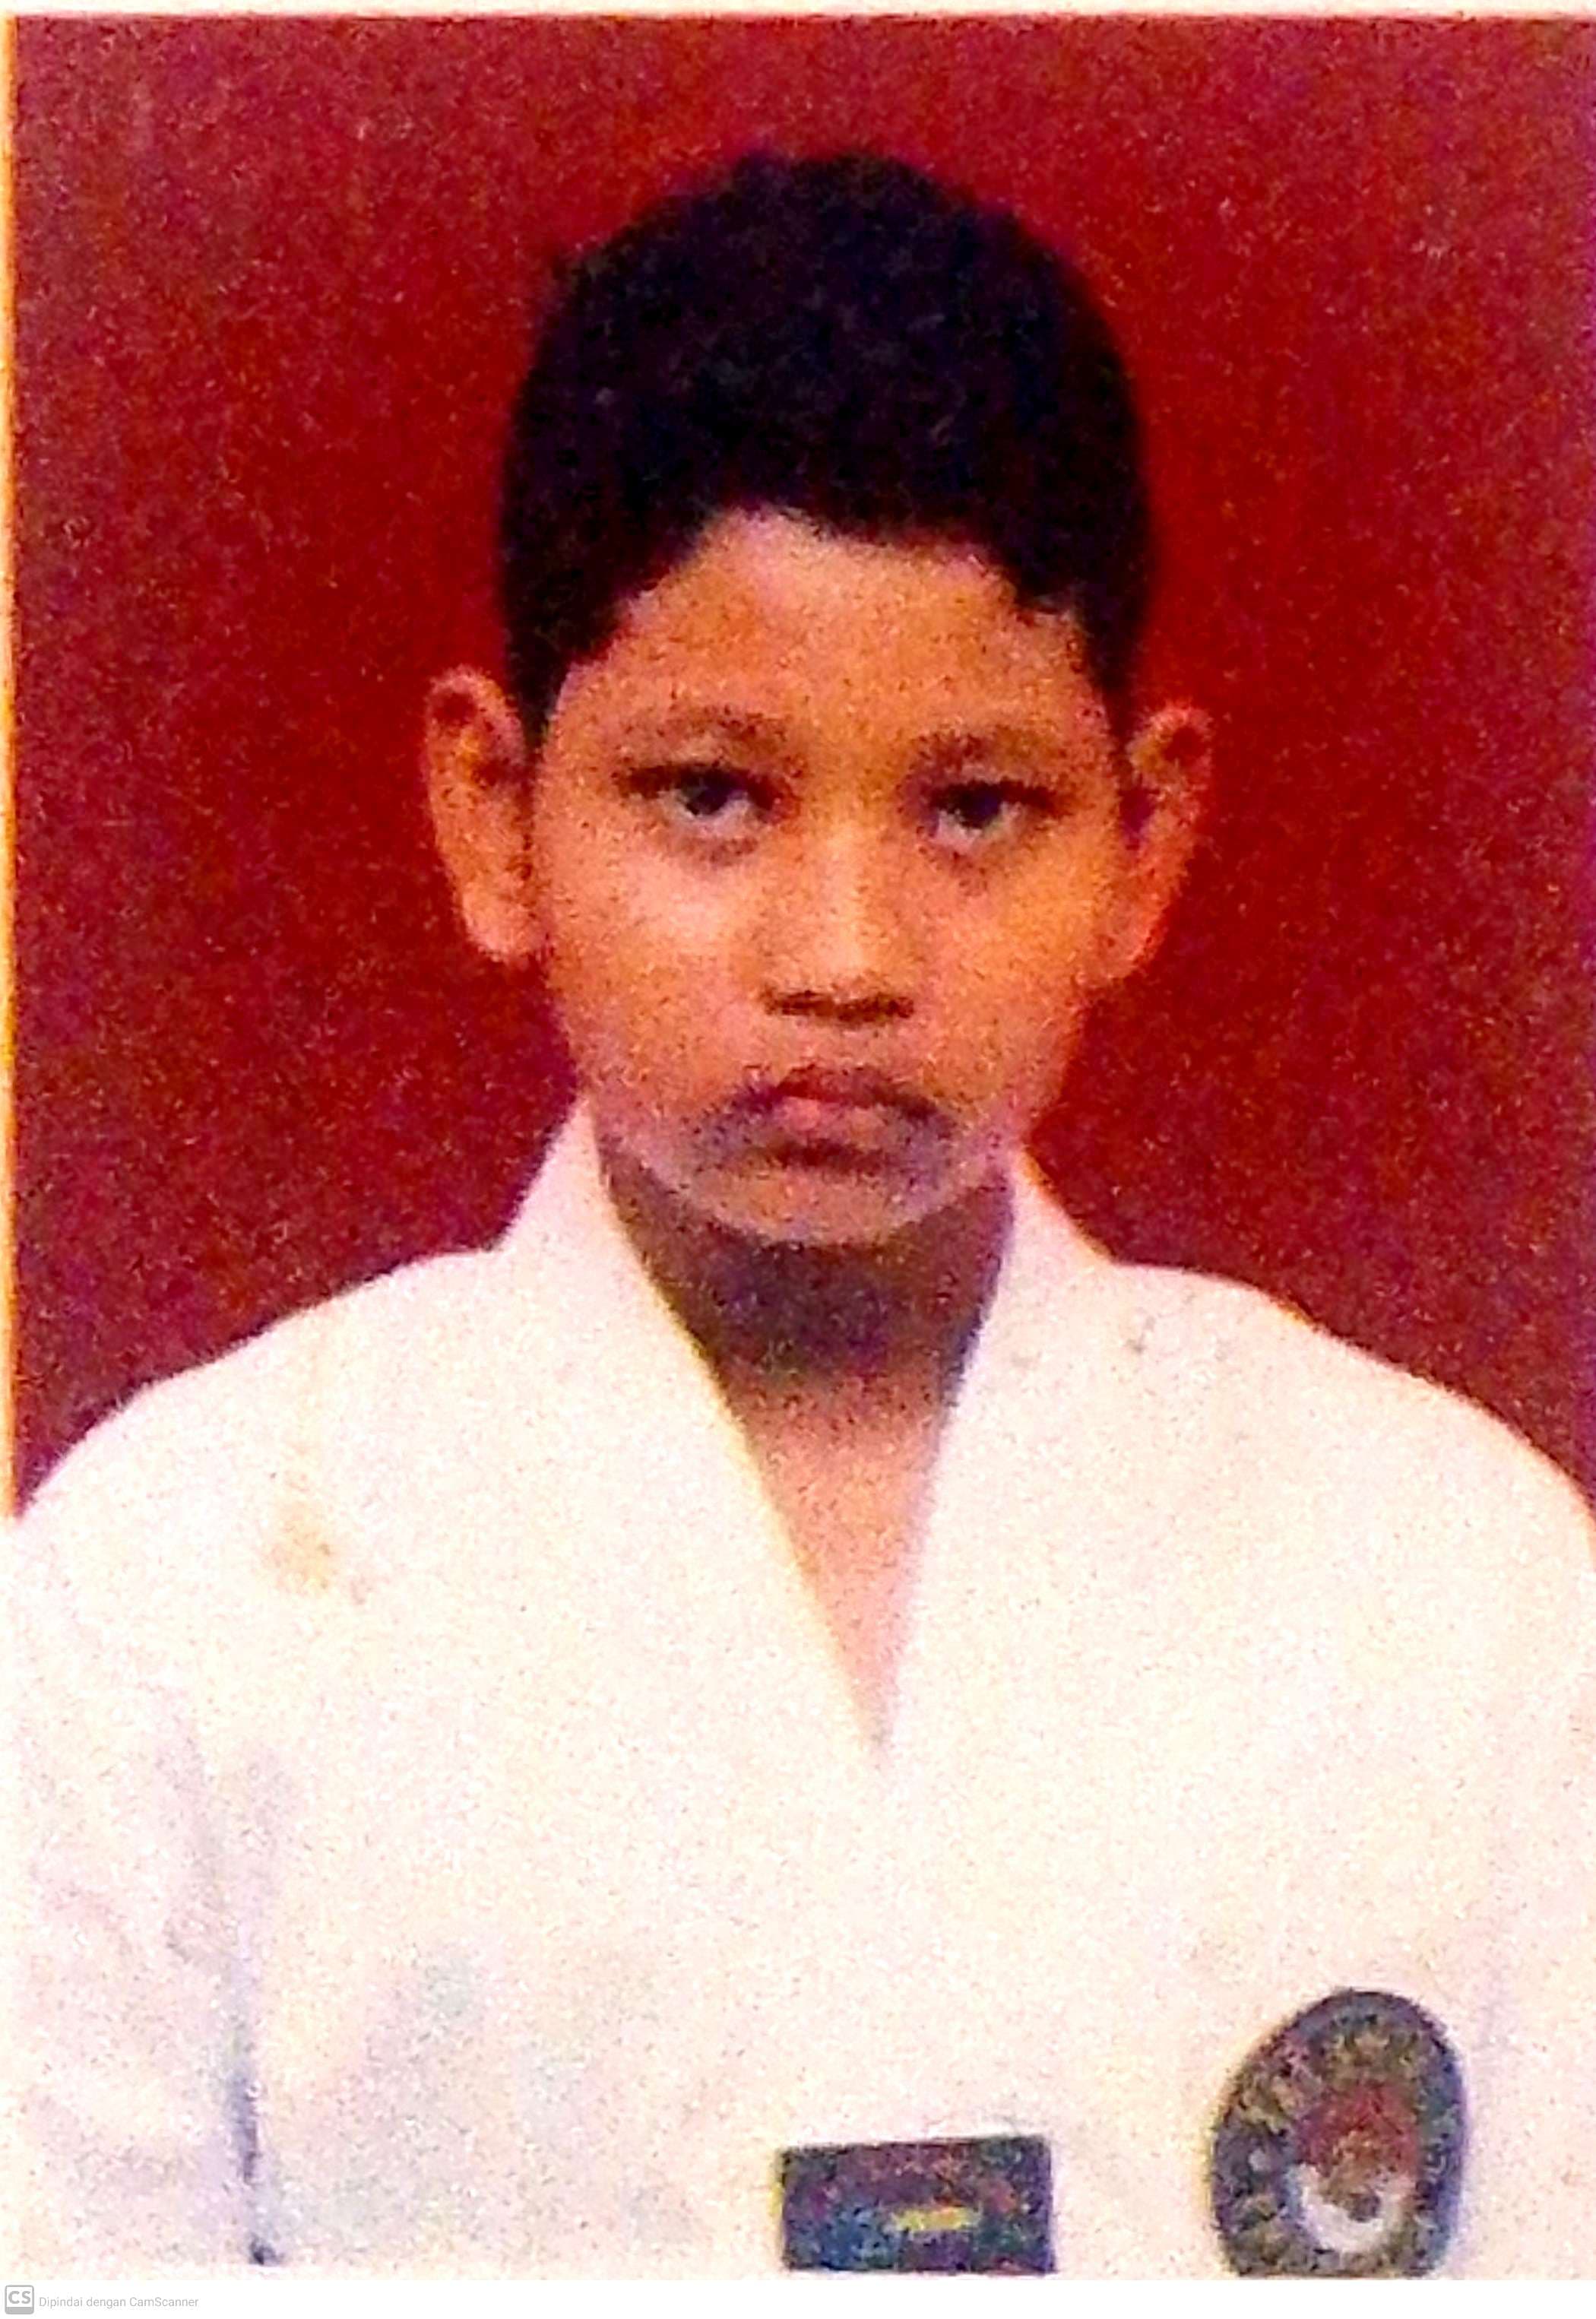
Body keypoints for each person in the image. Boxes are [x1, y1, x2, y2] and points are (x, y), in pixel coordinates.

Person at [12, 150, 1596, 2280]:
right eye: (710, 796)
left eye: (975, 807)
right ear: (496, 812)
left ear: (1140, 844)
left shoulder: (1460, 1582)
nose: (844, 955)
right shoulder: (172, 1591)